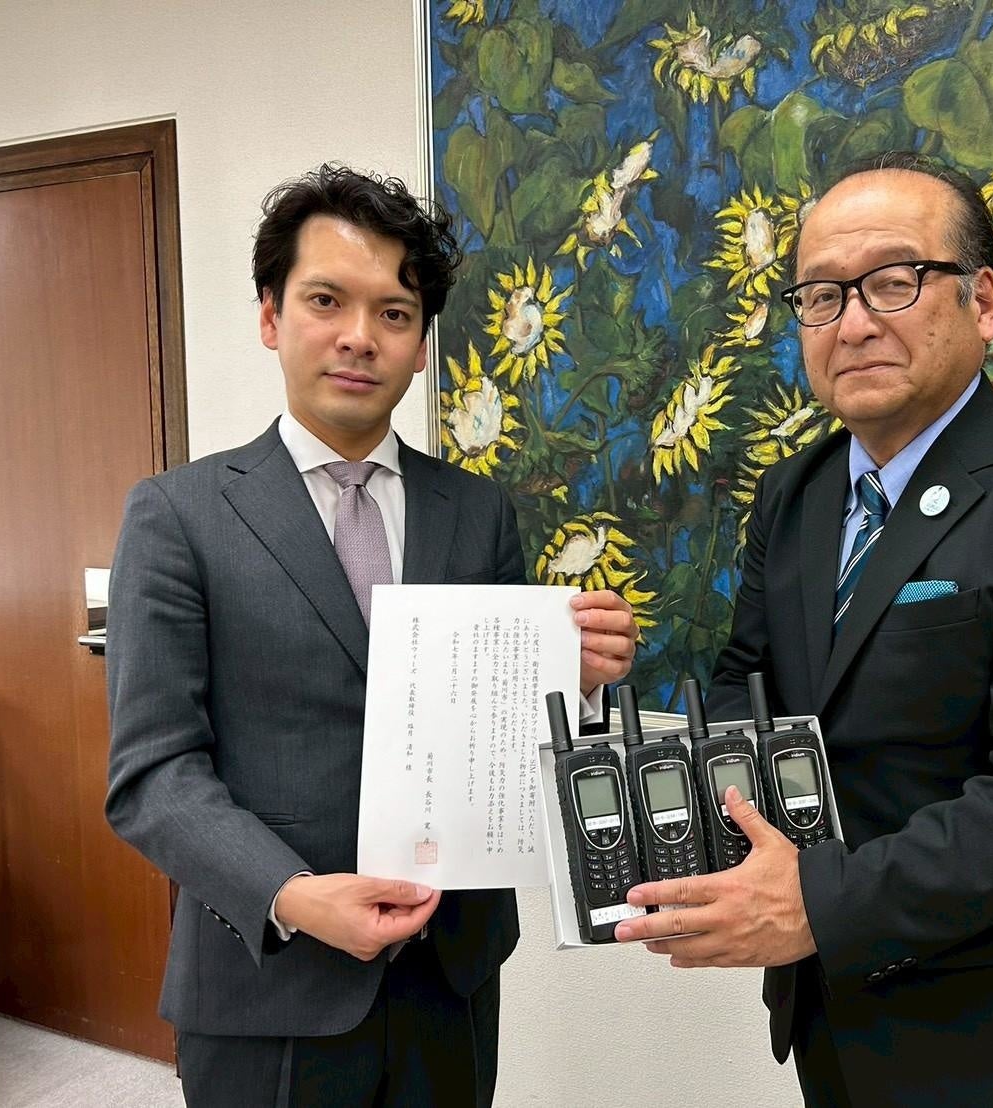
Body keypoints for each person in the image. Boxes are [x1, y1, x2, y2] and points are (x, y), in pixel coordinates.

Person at [615, 152, 993, 1106]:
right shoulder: (796, 493)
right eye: (821, 296)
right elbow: (747, 687)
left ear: (982, 302)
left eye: (892, 282)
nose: (854, 323)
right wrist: (674, 833)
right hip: (831, 1009)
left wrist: (818, 903)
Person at [105, 165, 637, 1107]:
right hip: (268, 982)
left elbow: (508, 742)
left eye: (394, 312)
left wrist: (579, 681)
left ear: (421, 344)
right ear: (269, 317)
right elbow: (153, 775)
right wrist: (293, 895)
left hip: (449, 977)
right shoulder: (177, 514)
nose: (359, 336)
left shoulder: (477, 511)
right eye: (326, 300)